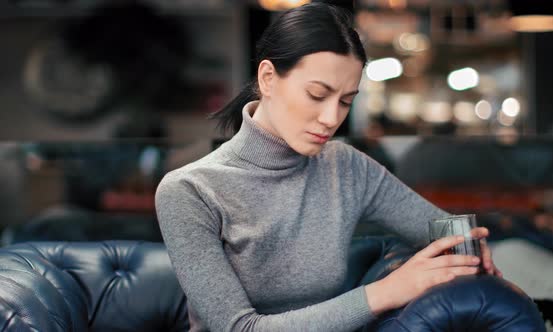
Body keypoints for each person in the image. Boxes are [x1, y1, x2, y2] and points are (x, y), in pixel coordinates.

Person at [155, 3, 502, 331]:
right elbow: (239, 327)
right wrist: (385, 292)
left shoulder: (345, 166)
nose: (331, 118)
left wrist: (466, 247)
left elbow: (440, 228)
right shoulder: (189, 191)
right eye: (317, 95)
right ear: (268, 78)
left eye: (346, 102)